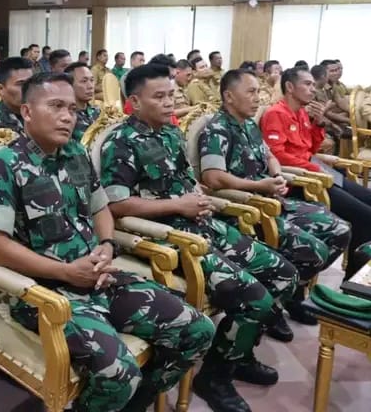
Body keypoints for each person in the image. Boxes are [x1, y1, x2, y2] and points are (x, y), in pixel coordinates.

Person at [0, 72, 214, 412]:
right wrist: (67, 273)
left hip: (100, 276)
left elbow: (101, 207)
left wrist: (106, 244)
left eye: (72, 109)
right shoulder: (3, 166)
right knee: (119, 372)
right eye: (55, 106)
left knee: (197, 330)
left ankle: (131, 405)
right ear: (27, 112)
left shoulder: (75, 153)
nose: (66, 116)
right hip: (45, 293)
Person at [101, 64, 298, 412]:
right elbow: (117, 205)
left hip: (202, 223)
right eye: (158, 96)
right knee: (257, 301)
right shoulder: (122, 141)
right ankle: (215, 377)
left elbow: (186, 179)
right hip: (169, 237)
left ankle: (239, 353)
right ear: (134, 101)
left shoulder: (170, 134)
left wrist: (199, 195)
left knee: (284, 275)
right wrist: (179, 204)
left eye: (171, 95)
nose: (168, 102)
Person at [198, 69, 351, 332]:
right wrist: (259, 185)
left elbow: (270, 155)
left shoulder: (248, 125)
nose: (258, 98)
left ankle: (287, 296)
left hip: (271, 199)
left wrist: (277, 174)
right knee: (315, 250)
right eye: (251, 92)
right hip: (247, 209)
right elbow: (213, 178)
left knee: (340, 231)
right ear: (229, 96)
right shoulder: (217, 129)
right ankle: (277, 304)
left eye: (259, 91)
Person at [260, 67, 371, 279]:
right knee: (366, 218)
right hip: (302, 182)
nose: (313, 90)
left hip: (316, 170)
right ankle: (352, 280)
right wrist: (313, 168)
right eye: (307, 84)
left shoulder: (301, 112)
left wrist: (318, 124)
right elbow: (277, 156)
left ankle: (357, 272)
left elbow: (309, 149)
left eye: (313, 84)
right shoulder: (276, 113)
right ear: (290, 87)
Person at [65, 61, 100, 141]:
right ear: (70, 85)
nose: (90, 86)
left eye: (92, 80)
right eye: (84, 81)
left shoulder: (98, 112)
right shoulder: (66, 117)